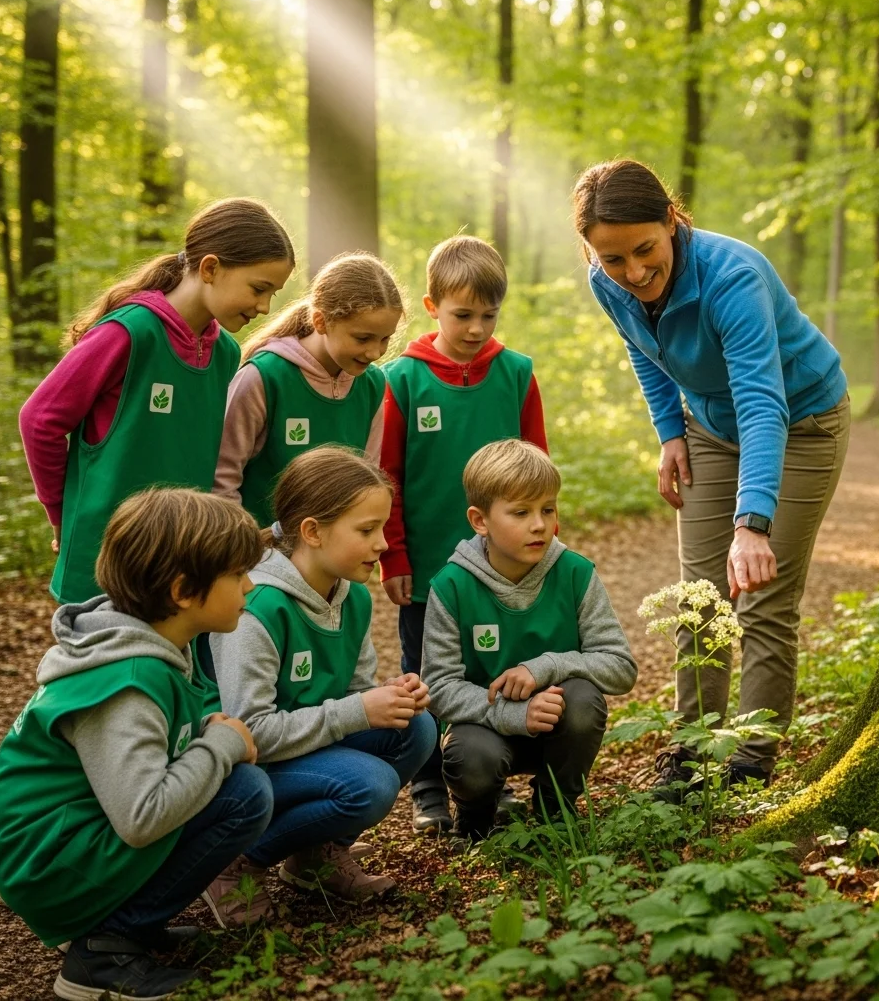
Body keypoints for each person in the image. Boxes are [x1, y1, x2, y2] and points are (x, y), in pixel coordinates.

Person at [572, 158, 850, 797]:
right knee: (701, 598)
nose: (634, 273)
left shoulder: (734, 277)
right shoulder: (605, 280)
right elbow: (645, 355)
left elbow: (763, 402)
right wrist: (670, 432)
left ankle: (751, 761)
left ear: (671, 220)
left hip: (801, 422)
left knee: (763, 596)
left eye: (645, 249)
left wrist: (753, 523)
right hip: (708, 426)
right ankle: (693, 752)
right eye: (613, 259)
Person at [0, 489, 272, 1001]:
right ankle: (103, 951)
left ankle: (129, 924)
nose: (249, 585)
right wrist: (220, 745)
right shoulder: (127, 682)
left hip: (73, 837)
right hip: (49, 861)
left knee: (234, 785)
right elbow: (142, 817)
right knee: (243, 792)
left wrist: (206, 728)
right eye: (236, 575)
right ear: (184, 589)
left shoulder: (156, 643)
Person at [19, 198, 295, 605]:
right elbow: (39, 419)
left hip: (182, 567)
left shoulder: (224, 353)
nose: (264, 307)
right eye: (259, 288)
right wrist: (62, 514)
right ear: (210, 268)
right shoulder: (129, 333)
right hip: (105, 564)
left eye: (273, 293)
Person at [206, 447, 436, 904]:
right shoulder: (258, 608)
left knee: (417, 728)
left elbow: (354, 691)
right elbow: (248, 735)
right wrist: (359, 710)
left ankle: (314, 857)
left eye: (382, 528)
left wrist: (385, 697)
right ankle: (236, 864)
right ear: (312, 531)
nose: (383, 544)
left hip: (306, 747)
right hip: (248, 769)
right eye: (367, 530)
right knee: (369, 785)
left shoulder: (352, 597)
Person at [380, 234, 549, 835]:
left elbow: (538, 470)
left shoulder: (516, 374)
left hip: (501, 563)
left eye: (488, 315)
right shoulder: (401, 380)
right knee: (424, 673)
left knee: (491, 668)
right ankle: (427, 784)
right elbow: (388, 476)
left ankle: (485, 779)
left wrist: (540, 545)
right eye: (462, 315)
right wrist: (393, 553)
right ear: (432, 306)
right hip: (427, 564)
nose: (476, 328)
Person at [422, 439, 637, 840]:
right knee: (472, 756)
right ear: (480, 520)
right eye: (521, 512)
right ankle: (475, 818)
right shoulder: (451, 586)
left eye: (548, 509)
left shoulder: (574, 573)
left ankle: (556, 809)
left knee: (583, 699)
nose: (539, 524)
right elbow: (439, 687)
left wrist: (545, 667)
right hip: (484, 730)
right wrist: (514, 713)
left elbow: (620, 668)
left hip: (556, 727)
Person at [215, 252, 405, 527]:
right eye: (362, 338)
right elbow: (223, 477)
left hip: (337, 561)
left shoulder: (373, 383)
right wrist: (241, 547)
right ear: (321, 322)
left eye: (385, 339)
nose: (375, 351)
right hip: (260, 557)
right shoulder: (264, 377)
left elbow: (368, 476)